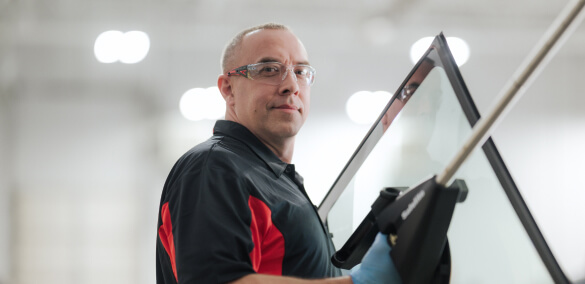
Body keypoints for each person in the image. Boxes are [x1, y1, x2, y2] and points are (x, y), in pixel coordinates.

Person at [156, 23, 402, 284]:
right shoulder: (214, 167)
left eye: (301, 71)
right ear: (228, 89)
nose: (291, 85)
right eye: (270, 70)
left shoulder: (274, 181)